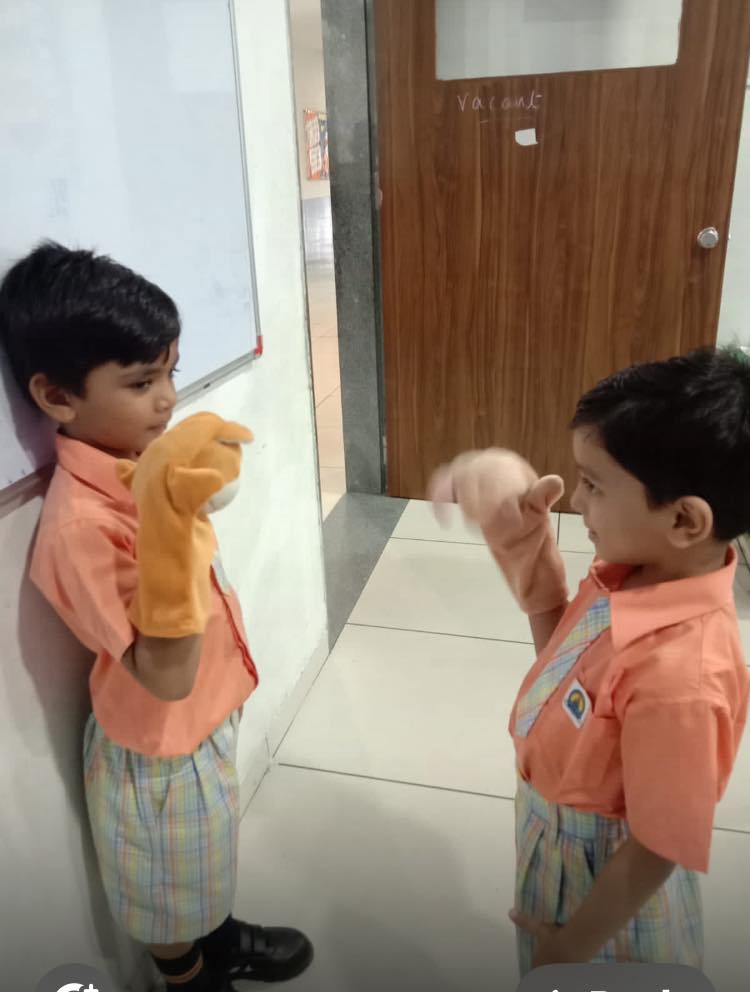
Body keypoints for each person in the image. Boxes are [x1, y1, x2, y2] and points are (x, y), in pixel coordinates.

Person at [0, 243, 313, 992]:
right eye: (143, 382)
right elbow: (164, 676)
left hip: (203, 720)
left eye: (171, 372)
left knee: (201, 864)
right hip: (159, 752)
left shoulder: (139, 467)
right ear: (56, 397)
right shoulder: (82, 527)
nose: (169, 399)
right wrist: (170, 524)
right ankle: (190, 974)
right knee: (166, 896)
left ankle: (219, 933)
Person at [431, 348, 750, 976]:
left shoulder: (681, 678)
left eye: (595, 485)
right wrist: (524, 545)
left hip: (609, 895)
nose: (576, 501)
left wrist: (570, 950)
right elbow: (564, 667)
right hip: (558, 843)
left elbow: (658, 844)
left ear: (685, 519)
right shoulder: (632, 573)